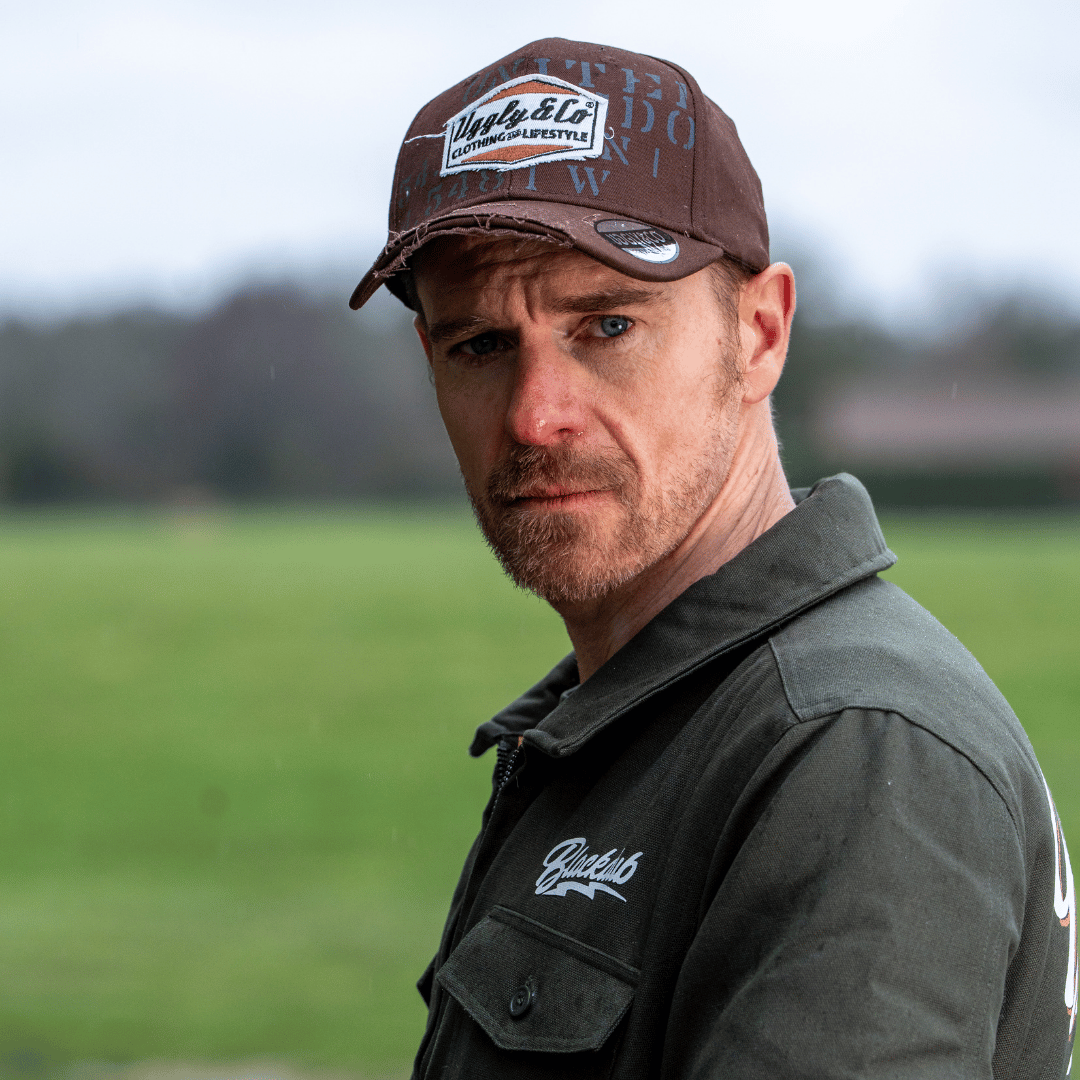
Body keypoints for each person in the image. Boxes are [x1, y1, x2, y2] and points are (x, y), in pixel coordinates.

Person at [349, 37, 1077, 1080]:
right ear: (431, 361)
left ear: (761, 333)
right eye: (481, 346)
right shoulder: (648, 717)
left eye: (607, 325)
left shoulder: (853, 751)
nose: (535, 416)